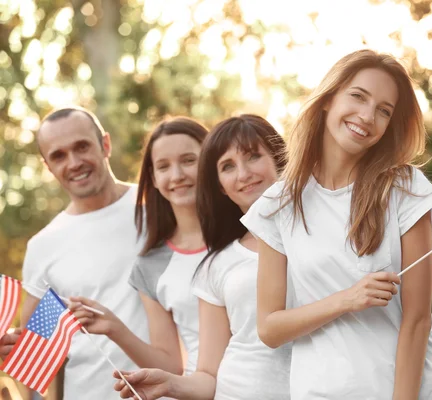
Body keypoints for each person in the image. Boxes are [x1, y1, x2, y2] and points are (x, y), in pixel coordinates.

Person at [241, 50, 432, 399]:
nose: (367, 116)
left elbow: (417, 320)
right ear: (329, 99)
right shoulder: (277, 205)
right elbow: (269, 328)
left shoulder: (404, 188)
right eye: (358, 96)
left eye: (384, 110)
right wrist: (345, 299)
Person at [113, 115, 291, 400]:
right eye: (228, 166)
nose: (243, 174)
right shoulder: (217, 263)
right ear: (219, 182)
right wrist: (169, 384)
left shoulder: (318, 235)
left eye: (253, 157)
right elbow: (207, 373)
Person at [0, 106, 149, 399]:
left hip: (171, 391)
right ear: (47, 166)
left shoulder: (157, 206)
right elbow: (36, 351)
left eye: (82, 147)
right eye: (59, 155)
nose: (74, 162)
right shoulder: (44, 246)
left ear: (105, 144)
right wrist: (12, 348)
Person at [68, 117, 209, 376]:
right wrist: (114, 328)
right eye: (163, 167)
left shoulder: (247, 233)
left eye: (189, 160)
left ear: (210, 161)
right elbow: (171, 365)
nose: (177, 175)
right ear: (153, 178)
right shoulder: (150, 265)